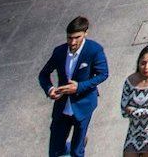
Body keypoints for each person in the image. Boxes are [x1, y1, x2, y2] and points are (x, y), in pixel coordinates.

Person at [38, 15, 109, 157]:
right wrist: (50, 89)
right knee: (55, 151)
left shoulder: (93, 50)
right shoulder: (59, 52)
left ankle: (80, 143)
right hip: (62, 107)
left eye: (77, 37)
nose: (73, 41)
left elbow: (103, 74)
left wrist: (79, 87)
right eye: (69, 38)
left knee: (77, 151)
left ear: (85, 33)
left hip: (83, 106)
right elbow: (43, 75)